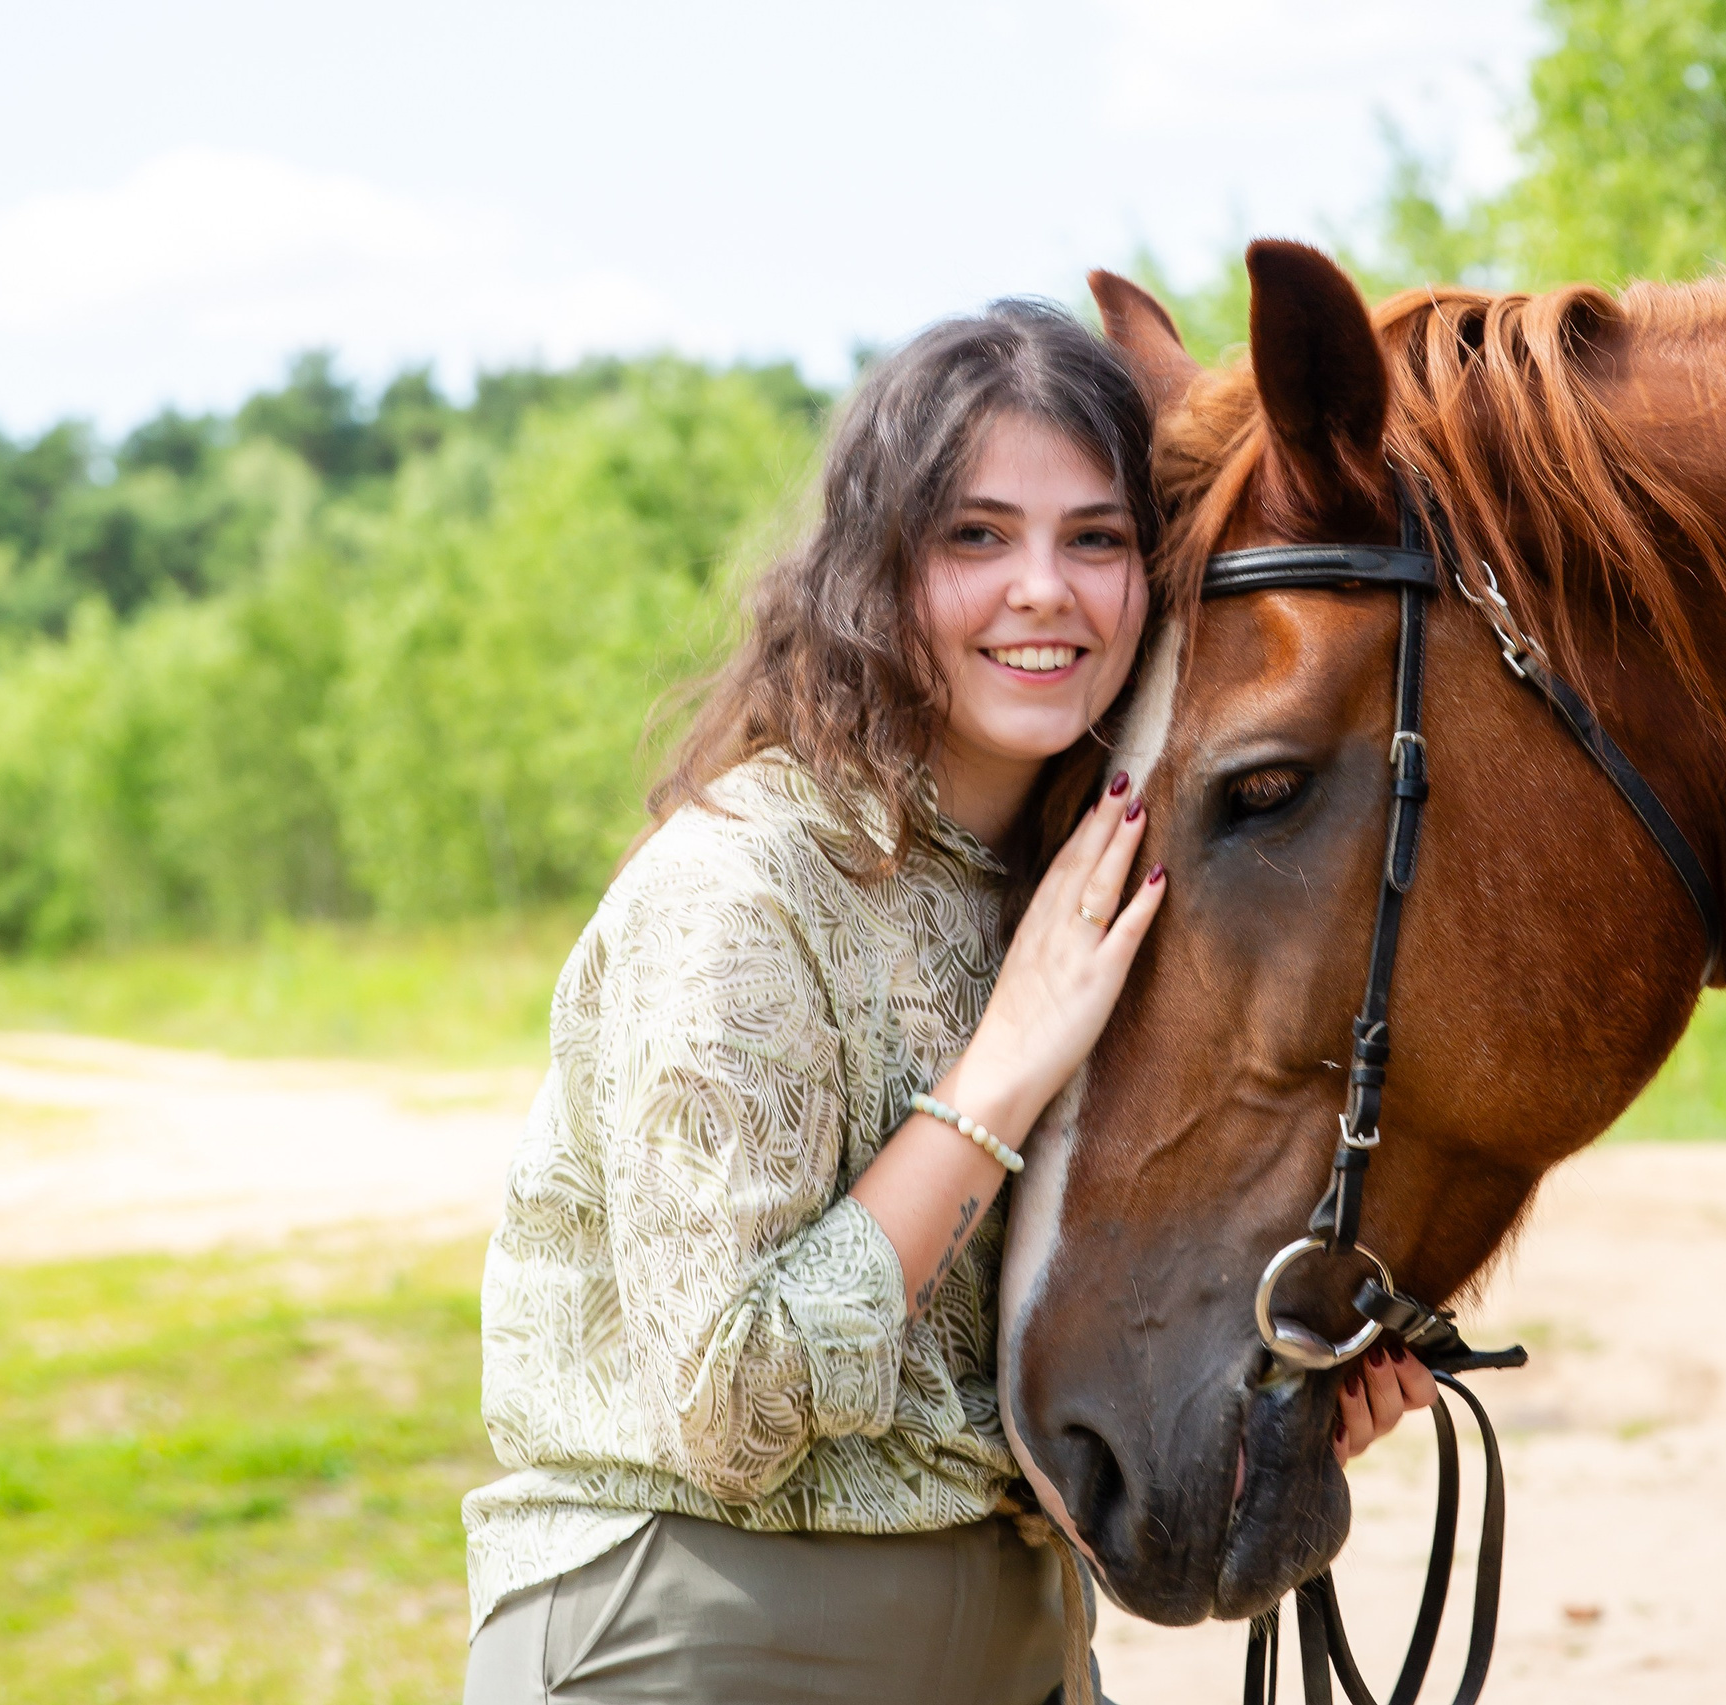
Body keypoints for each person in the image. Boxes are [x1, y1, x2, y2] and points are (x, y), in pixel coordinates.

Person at [461, 298, 1435, 1704]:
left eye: (1095, 538)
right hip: (696, 1647)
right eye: (976, 536)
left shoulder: (1081, 896)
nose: (1044, 587)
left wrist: (1281, 1418)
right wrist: (998, 1077)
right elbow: (731, 1406)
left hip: (1024, 1654)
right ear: (875, 570)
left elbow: (1039, 1385)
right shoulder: (740, 888)